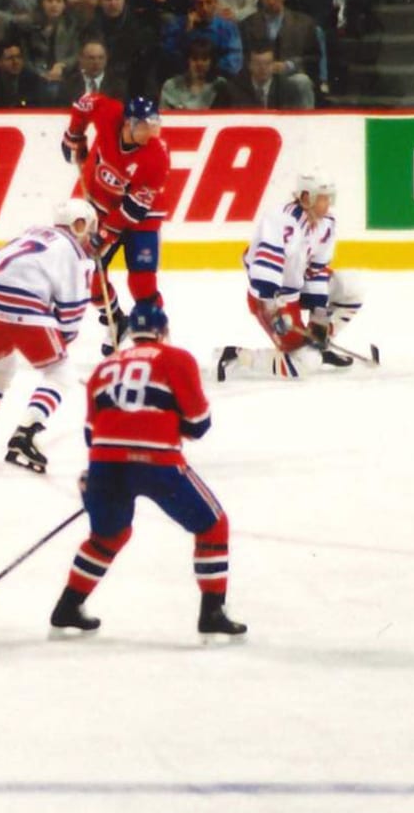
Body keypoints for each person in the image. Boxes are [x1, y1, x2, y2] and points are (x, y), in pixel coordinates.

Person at [50, 299, 244, 641]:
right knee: (213, 526)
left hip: (105, 464)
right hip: (157, 463)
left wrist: (98, 473)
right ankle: (212, 613)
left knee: (108, 535)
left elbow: (91, 434)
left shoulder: (104, 367)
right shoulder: (177, 358)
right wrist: (167, 423)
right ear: (163, 331)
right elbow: (199, 423)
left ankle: (68, 606)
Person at [0, 198, 102, 473]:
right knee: (60, 373)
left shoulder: (32, 232)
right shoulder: (75, 254)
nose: (92, 234)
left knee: (0, 369)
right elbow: (72, 310)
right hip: (23, 307)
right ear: (79, 225)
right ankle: (24, 436)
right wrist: (59, 344)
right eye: (90, 227)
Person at [215, 175, 367, 381]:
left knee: (352, 289)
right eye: (322, 198)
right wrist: (272, 309)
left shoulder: (327, 224)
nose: (327, 204)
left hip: (298, 287)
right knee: (304, 363)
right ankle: (236, 357)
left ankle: (316, 346)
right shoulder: (280, 220)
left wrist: (319, 320)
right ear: (306, 197)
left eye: (328, 198)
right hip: (272, 297)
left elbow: (316, 271)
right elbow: (265, 269)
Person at [63, 93, 171, 350]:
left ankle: (155, 335)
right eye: (145, 126)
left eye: (154, 126)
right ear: (128, 123)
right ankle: (115, 320)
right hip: (99, 207)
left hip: (143, 220)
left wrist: (105, 235)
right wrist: (74, 135)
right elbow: (84, 104)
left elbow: (133, 209)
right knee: (88, 277)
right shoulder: (109, 113)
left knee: (143, 283)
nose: (150, 133)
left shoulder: (157, 157)